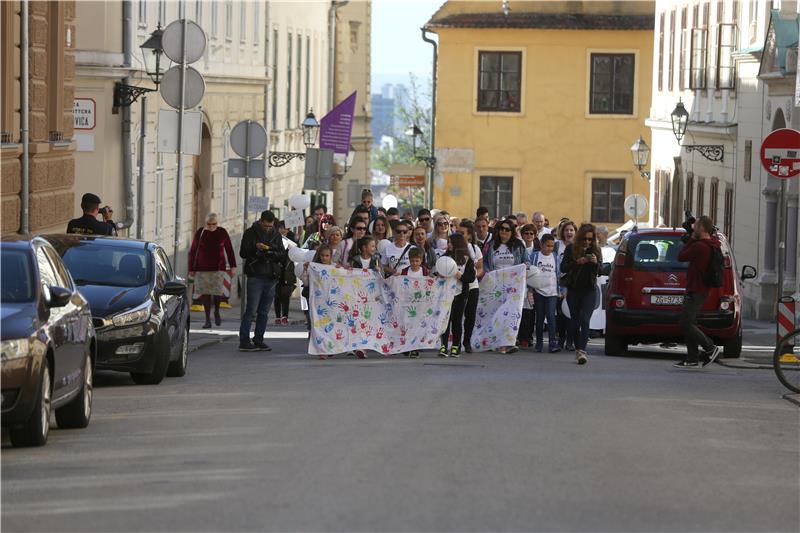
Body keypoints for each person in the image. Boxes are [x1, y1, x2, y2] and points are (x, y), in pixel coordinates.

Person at [674, 216, 722, 368]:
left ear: (702, 229)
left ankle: (710, 347)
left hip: (697, 289)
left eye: (696, 227)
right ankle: (692, 358)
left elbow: (681, 256)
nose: (693, 229)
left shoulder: (700, 246)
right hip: (699, 288)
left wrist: (691, 239)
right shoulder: (711, 244)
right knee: (690, 322)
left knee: (685, 323)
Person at [238, 210, 287, 352]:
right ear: (260, 221)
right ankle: (244, 340)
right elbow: (243, 252)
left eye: (270, 226)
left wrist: (271, 252)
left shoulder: (276, 234)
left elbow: (282, 255)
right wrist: (255, 247)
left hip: (271, 276)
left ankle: (259, 339)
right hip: (255, 275)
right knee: (251, 310)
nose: (267, 228)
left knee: (264, 312)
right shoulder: (250, 233)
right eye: (265, 226)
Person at [560, 223, 601, 365]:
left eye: (590, 239)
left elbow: (601, 270)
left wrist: (596, 263)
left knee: (585, 320)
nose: (587, 242)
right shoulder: (571, 249)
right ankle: (578, 349)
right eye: (584, 239)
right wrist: (577, 262)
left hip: (589, 290)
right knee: (575, 321)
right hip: (574, 289)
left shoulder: (596, 250)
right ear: (579, 238)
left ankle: (582, 351)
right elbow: (563, 267)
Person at [484, 220, 526, 354]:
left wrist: (525, 268)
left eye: (507, 229)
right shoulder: (491, 246)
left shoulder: (519, 245)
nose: (504, 231)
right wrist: (490, 277)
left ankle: (508, 343)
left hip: (513, 287)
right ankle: (496, 342)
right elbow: (486, 264)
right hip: (496, 287)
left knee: (511, 314)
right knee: (497, 314)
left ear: (512, 232)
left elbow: (526, 261)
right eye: (501, 228)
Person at [188, 213, 237, 329]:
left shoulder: (222, 232)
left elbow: (229, 249)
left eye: (213, 224)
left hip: (218, 267)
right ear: (206, 224)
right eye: (209, 224)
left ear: (217, 223)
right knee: (205, 293)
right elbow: (193, 250)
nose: (211, 226)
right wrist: (191, 269)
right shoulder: (201, 232)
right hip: (202, 268)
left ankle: (216, 312)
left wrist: (233, 266)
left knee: (216, 292)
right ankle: (207, 319)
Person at [438, 233, 476, 358]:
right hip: (446, 294)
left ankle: (456, 346)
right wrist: (440, 274)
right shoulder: (445, 257)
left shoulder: (466, 259)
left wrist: (461, 276)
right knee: (445, 321)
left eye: (450, 242)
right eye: (448, 242)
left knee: (457, 321)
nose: (448, 245)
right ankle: (443, 346)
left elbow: (471, 278)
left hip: (460, 294)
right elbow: (437, 271)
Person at [530, 234, 561, 353]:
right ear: (542, 245)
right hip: (539, 292)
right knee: (540, 318)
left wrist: (560, 290)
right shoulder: (535, 256)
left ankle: (552, 342)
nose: (550, 248)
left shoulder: (555, 256)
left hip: (552, 292)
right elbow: (531, 272)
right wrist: (530, 289)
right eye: (547, 246)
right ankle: (539, 342)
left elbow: (557, 273)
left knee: (551, 316)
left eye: (552, 246)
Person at [457, 220, 483, 353]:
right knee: (456, 316)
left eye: (462, 233)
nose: (460, 235)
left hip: (472, 286)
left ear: (469, 235)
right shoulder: (453, 248)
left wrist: (472, 275)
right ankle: (454, 342)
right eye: (458, 232)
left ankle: (467, 342)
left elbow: (480, 268)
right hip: (456, 287)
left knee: (470, 315)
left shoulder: (475, 249)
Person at [555, 220, 577, 351]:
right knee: (560, 313)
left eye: (571, 230)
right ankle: (560, 339)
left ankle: (570, 341)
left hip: (572, 283)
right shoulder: (558, 245)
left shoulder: (577, 247)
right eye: (566, 230)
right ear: (562, 232)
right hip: (558, 282)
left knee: (571, 313)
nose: (569, 233)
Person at [518, 223, 539, 348]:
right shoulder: (519, 248)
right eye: (526, 233)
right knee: (520, 311)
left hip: (533, 285)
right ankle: (520, 337)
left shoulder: (537, 250)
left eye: (531, 233)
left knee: (530, 313)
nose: (529, 236)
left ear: (535, 235)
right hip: (520, 283)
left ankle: (528, 337)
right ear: (522, 235)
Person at [274, 221, 296, 326]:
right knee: (277, 295)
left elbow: (297, 253)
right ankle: (278, 316)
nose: (283, 230)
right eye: (281, 228)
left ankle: (285, 317)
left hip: (288, 271)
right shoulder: (274, 239)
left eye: (285, 228)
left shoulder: (292, 240)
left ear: (288, 229)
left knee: (285, 295)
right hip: (277, 270)